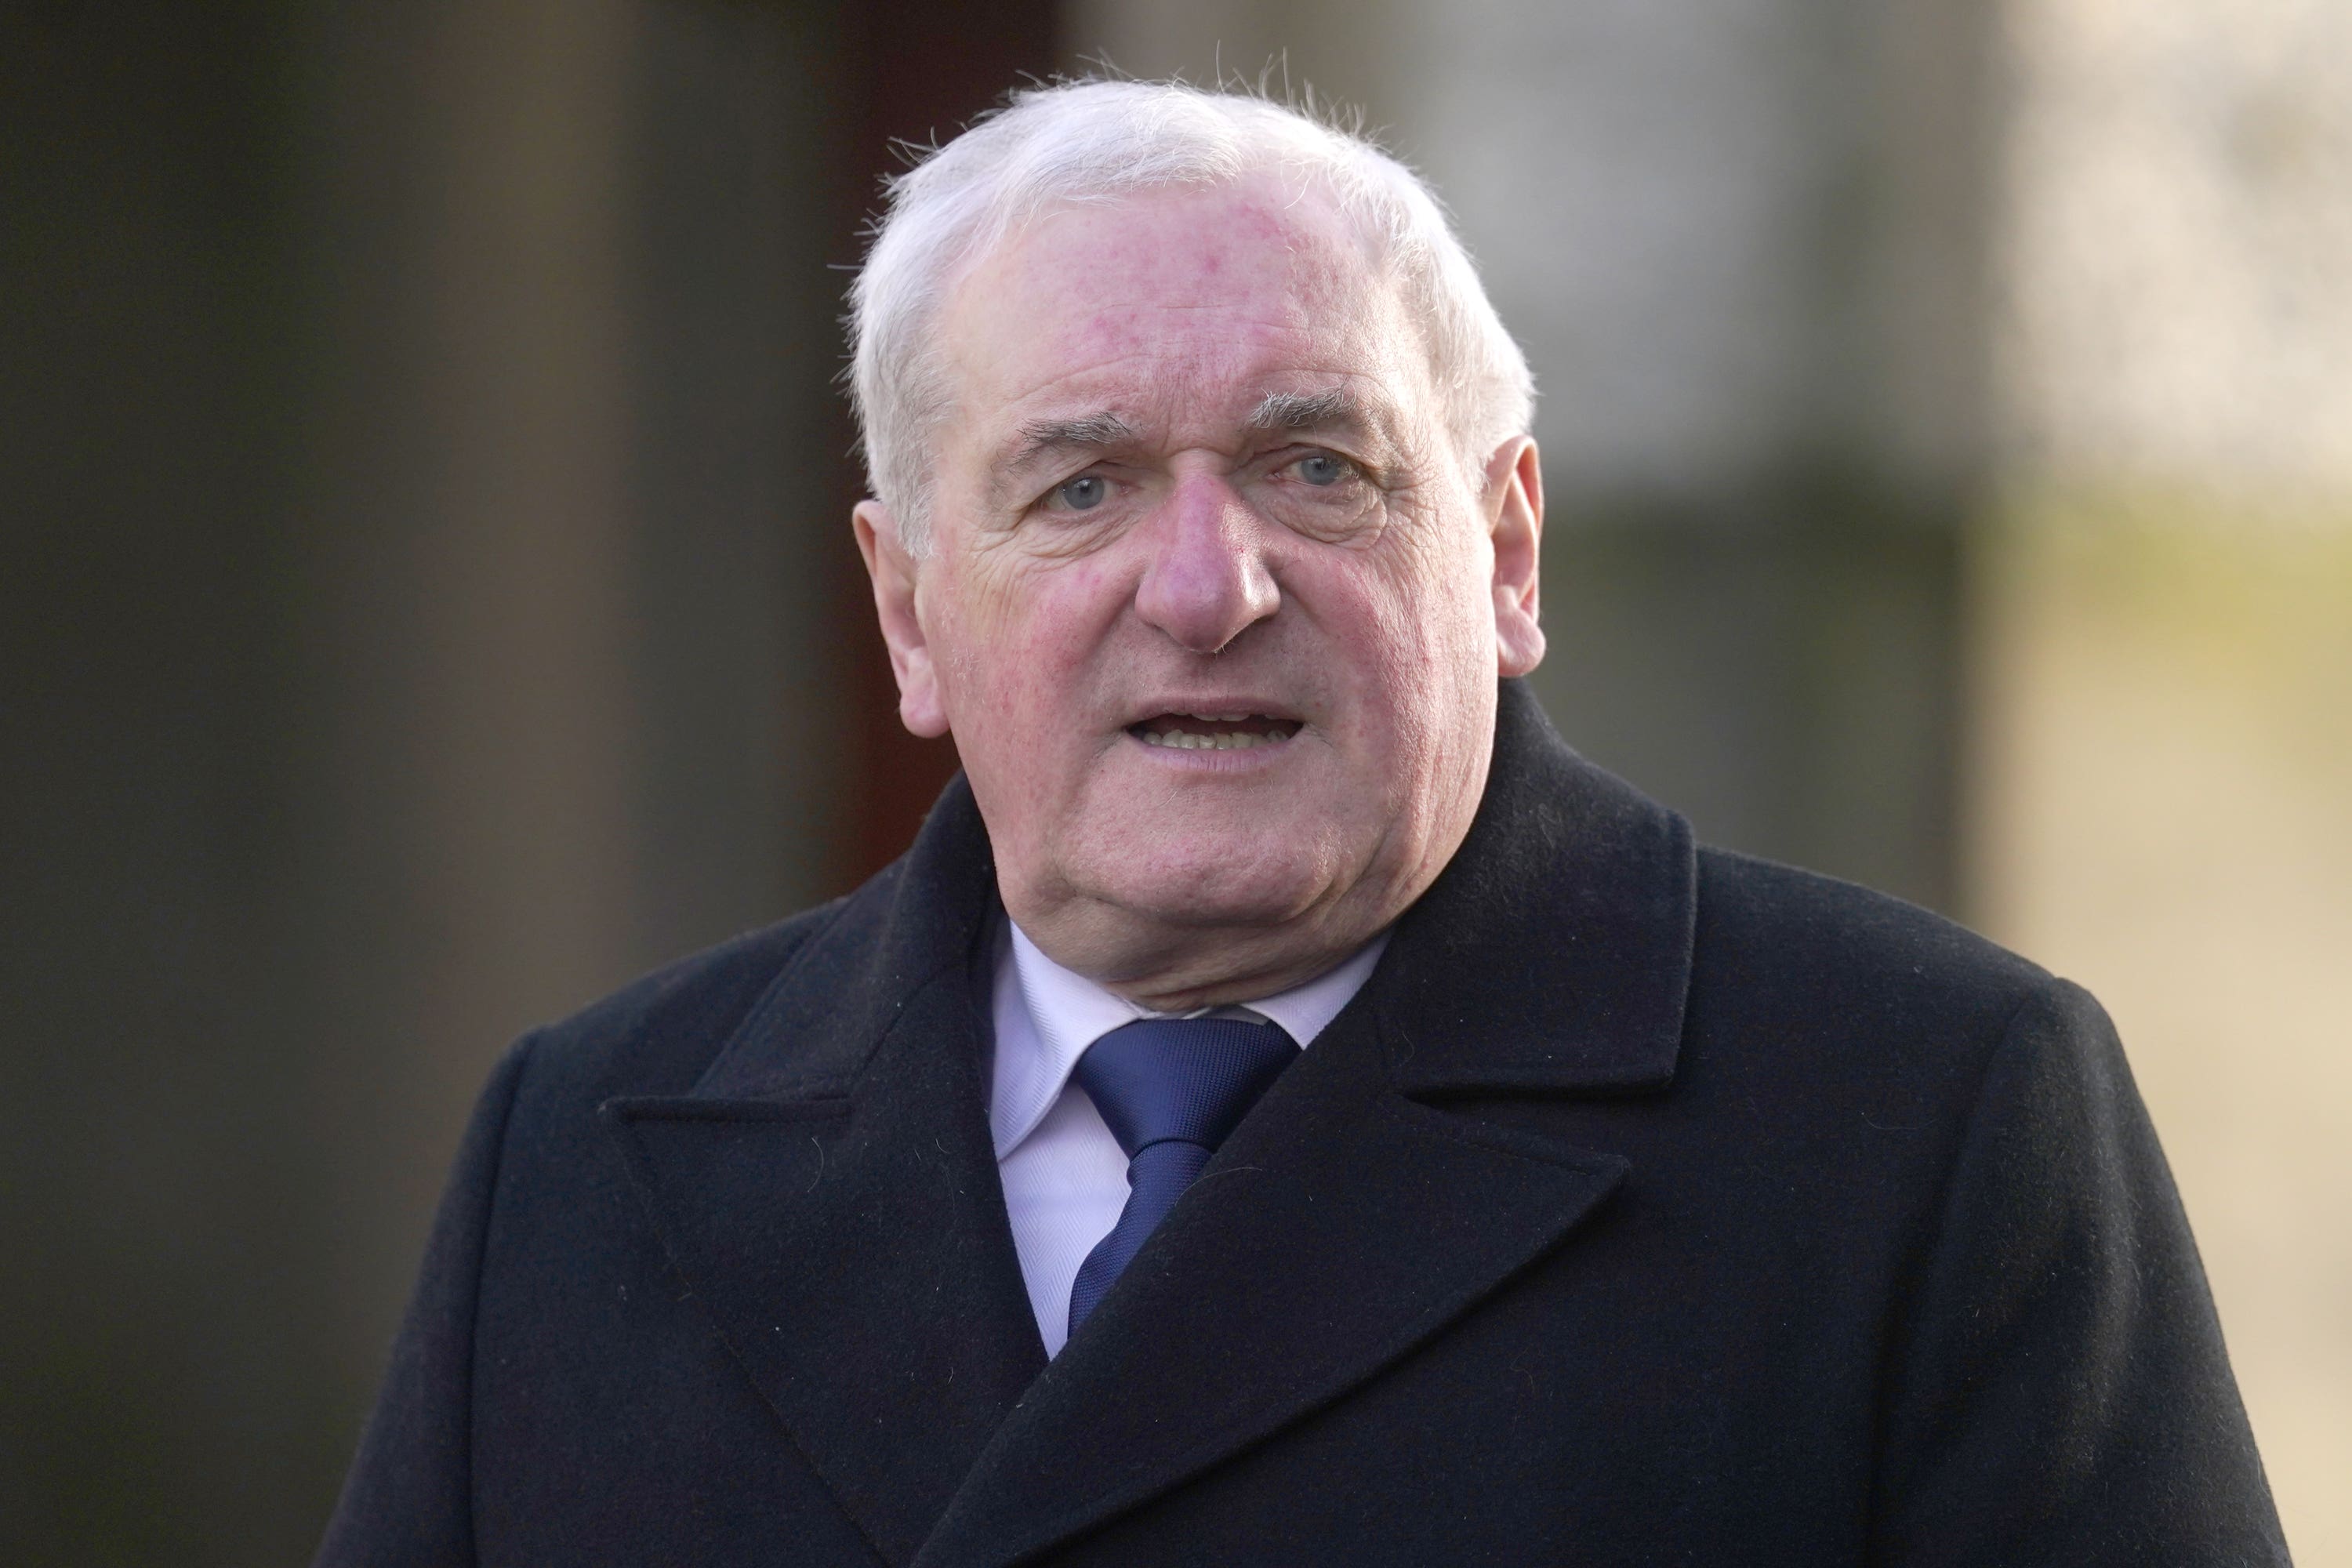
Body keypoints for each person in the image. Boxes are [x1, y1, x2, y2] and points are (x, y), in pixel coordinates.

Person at [316, 81, 2285, 1566]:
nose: (1206, 583)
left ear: (1505, 553)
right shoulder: (577, 1161)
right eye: (1078, 488)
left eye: (1315, 462)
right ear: (911, 607)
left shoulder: (1928, 1123)